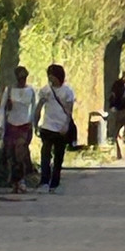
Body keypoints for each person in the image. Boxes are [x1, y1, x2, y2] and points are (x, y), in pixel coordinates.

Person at [33, 64, 75, 193]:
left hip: (61, 128)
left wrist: (66, 125)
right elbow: (39, 108)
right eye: (49, 76)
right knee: (45, 155)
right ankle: (44, 181)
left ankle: (55, 183)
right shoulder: (45, 90)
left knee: (58, 157)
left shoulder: (67, 91)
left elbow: (69, 111)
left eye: (52, 76)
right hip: (47, 126)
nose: (50, 79)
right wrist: (36, 123)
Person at [0, 65, 36, 193]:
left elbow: (34, 109)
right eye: (20, 78)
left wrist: (32, 123)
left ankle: (21, 180)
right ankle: (15, 181)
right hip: (11, 124)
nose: (22, 80)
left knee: (20, 153)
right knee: (11, 154)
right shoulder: (9, 91)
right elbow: (2, 108)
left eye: (24, 78)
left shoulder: (31, 91)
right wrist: (1, 125)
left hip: (24, 125)